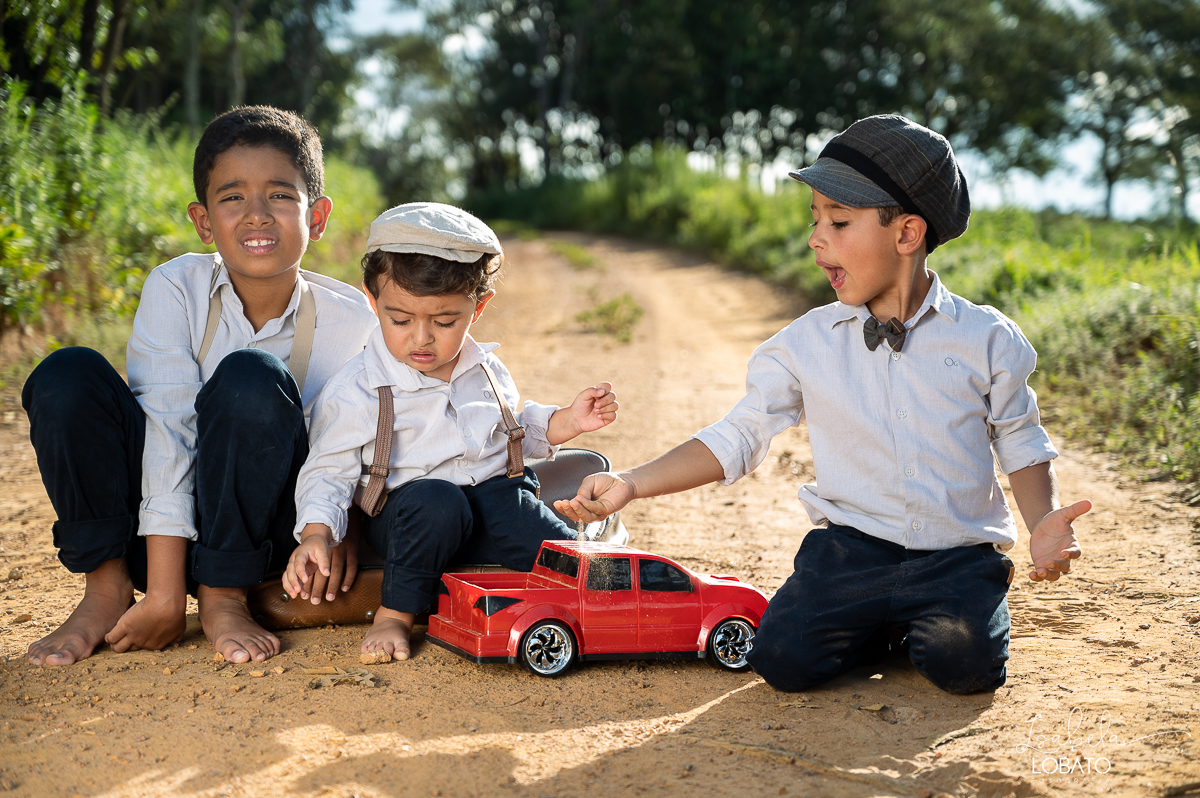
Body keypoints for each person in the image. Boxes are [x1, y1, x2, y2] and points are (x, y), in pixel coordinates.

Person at [555, 114, 1091, 694]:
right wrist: (632, 482)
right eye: (815, 219)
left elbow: (1020, 437)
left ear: (907, 235)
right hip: (850, 550)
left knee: (964, 661)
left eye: (838, 221)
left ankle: (927, 620)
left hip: (954, 556)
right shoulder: (806, 343)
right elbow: (740, 434)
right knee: (782, 657)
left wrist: (1042, 522)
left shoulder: (986, 338)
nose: (816, 238)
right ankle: (880, 624)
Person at [21, 105, 377, 666]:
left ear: (318, 216)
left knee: (250, 378)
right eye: (232, 197)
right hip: (156, 537)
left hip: (267, 541)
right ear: (204, 220)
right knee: (66, 375)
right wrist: (163, 593)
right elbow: (168, 427)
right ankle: (107, 589)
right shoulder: (175, 287)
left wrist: (345, 525)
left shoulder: (354, 317)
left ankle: (223, 597)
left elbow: (364, 440)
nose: (257, 215)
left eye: (281, 195)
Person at [284, 202, 619, 661]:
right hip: (408, 518)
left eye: (444, 323)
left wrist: (568, 422)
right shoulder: (358, 389)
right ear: (371, 299)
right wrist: (317, 534)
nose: (421, 338)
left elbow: (512, 433)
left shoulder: (486, 368)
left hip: (489, 509)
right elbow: (328, 470)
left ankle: (590, 576)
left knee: (516, 506)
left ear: (478, 309)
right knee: (435, 500)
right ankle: (394, 615)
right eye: (399, 319)